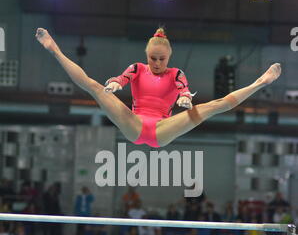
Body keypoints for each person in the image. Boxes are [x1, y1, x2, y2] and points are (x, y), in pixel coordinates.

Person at [36, 27, 281, 148]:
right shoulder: (137, 68)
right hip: (134, 123)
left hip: (162, 129)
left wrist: (185, 100)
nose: (156, 63)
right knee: (94, 86)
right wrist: (112, 84)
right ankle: (54, 50)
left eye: (161, 59)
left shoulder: (176, 74)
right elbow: (121, 80)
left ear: (169, 57)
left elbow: (184, 91)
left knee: (213, 106)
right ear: (147, 55)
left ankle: (260, 82)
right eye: (153, 58)